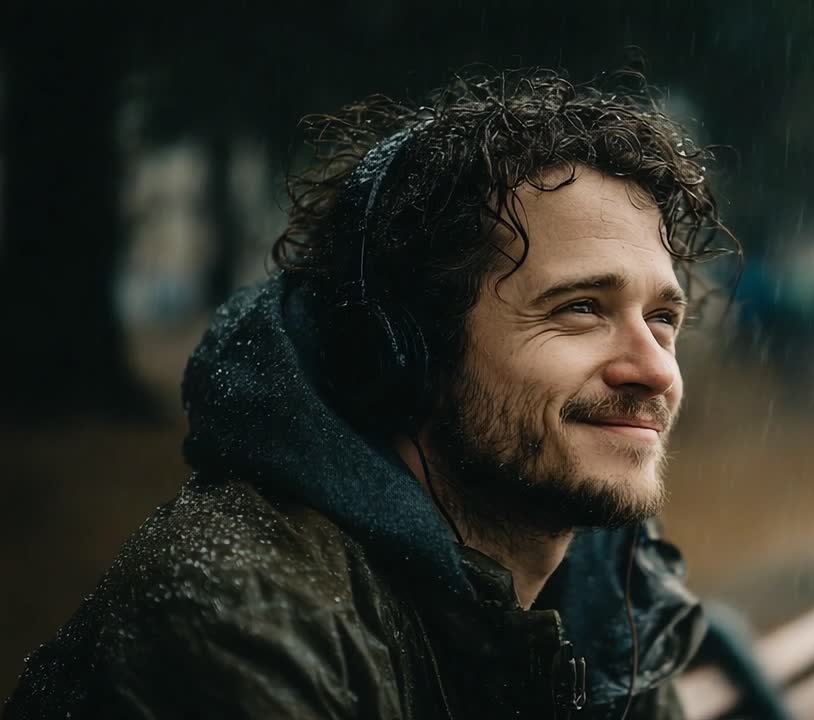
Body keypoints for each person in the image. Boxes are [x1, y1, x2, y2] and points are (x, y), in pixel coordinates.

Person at [5, 68, 737, 718]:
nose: (655, 369)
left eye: (663, 318)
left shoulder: (611, 596)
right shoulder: (240, 619)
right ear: (404, 351)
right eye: (581, 308)